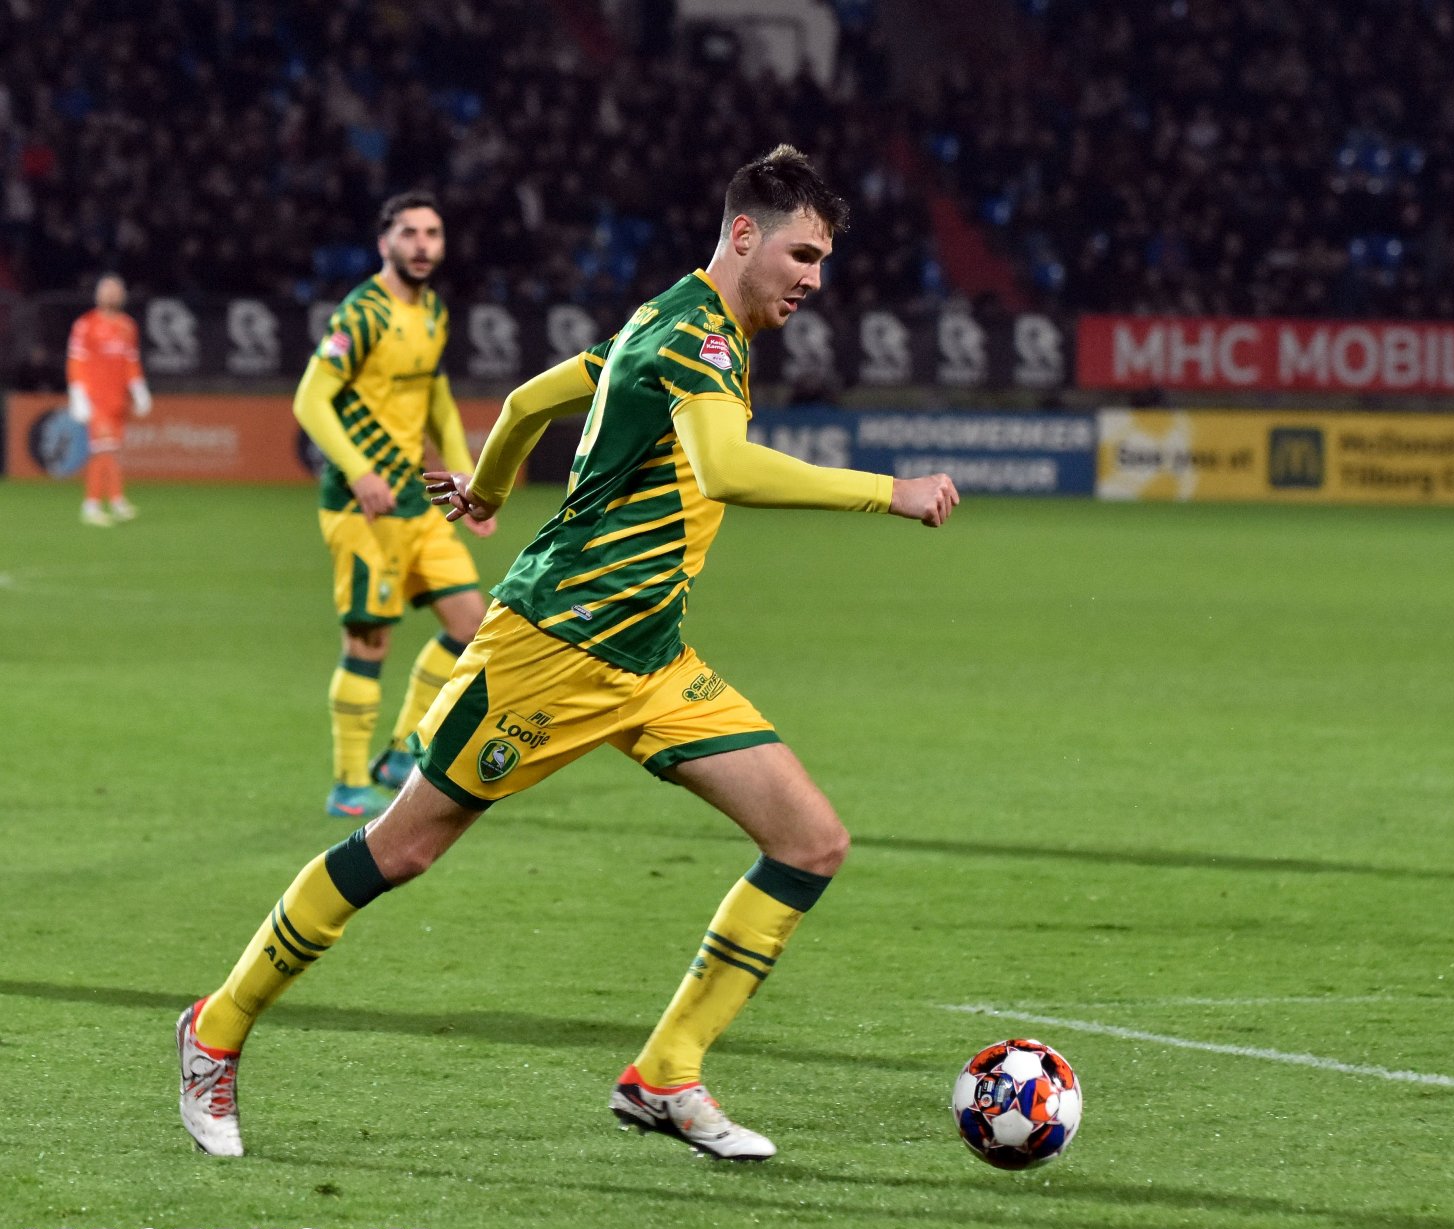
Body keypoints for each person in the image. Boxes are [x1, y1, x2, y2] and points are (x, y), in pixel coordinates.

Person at [177, 145, 960, 1161]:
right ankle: (216, 1028)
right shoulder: (695, 337)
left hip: (649, 657)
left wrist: (493, 488)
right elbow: (723, 466)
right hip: (549, 646)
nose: (814, 278)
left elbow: (526, 403)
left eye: (822, 259)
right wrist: (885, 491)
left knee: (810, 840)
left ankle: (666, 1074)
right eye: (802, 254)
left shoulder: (676, 323)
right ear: (743, 236)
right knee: (400, 848)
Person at [292, 192, 496, 820]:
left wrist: (467, 474)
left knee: (474, 626)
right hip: (363, 509)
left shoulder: (433, 312)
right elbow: (310, 400)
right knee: (369, 639)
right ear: (384, 243)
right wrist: (357, 473)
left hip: (414, 499)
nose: (422, 245)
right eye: (409, 234)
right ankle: (349, 781)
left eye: (432, 233)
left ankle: (403, 752)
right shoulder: (364, 314)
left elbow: (436, 394)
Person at [66, 273, 151, 526]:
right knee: (103, 451)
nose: (112, 294)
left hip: (118, 400)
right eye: (107, 290)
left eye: (116, 290)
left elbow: (131, 362)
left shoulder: (128, 326)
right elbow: (76, 361)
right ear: (98, 294)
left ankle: (116, 501)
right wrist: (78, 394)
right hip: (96, 398)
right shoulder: (85, 325)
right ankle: (91, 505)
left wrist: (139, 389)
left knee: (111, 451)